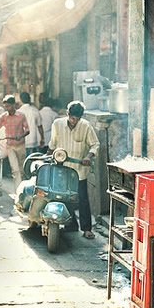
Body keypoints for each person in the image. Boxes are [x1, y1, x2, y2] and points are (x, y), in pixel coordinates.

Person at [47, 101, 99, 239]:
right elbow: (53, 143)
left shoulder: (86, 126)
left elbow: (95, 144)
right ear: (67, 113)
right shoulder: (57, 124)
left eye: (77, 119)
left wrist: (89, 156)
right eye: (72, 118)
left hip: (79, 171)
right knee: (64, 197)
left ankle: (87, 229)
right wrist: (46, 157)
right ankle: (71, 224)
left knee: (82, 198)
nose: (74, 121)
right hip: (62, 168)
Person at [0, 95, 29, 192]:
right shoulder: (4, 116)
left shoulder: (21, 116)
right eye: (6, 106)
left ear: (13, 105)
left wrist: (21, 136)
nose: (7, 108)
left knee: (21, 169)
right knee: (15, 170)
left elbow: (27, 130)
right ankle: (18, 192)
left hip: (20, 145)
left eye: (9, 106)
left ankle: (22, 188)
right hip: (10, 146)